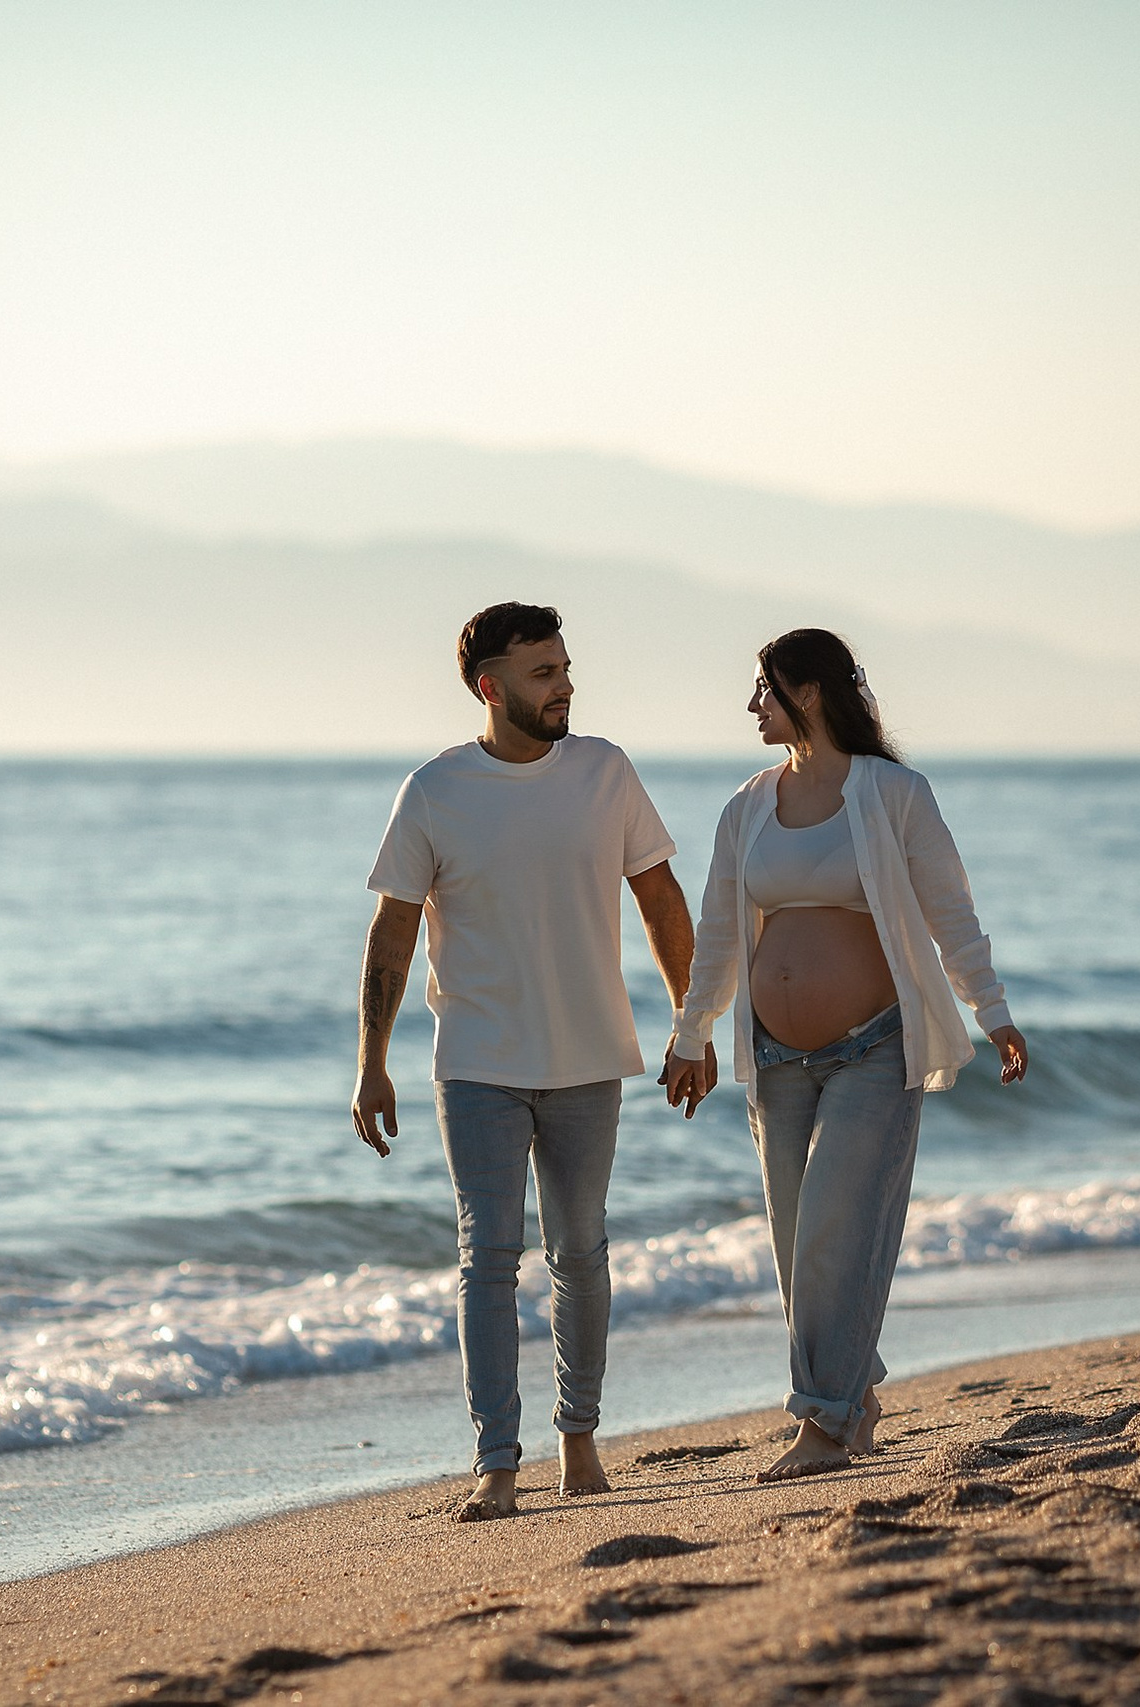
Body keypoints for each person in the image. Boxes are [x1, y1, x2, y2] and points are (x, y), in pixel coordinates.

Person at [352, 601, 707, 1521]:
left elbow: (660, 896)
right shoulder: (434, 790)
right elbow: (392, 930)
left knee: (580, 1250)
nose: (565, 686)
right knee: (488, 1258)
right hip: (476, 1061)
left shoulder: (604, 771)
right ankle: (496, 1462)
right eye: (544, 672)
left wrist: (691, 1022)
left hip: (589, 1054)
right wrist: (372, 1061)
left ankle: (579, 1437)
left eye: (565, 668)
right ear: (491, 685)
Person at [660, 628, 1027, 1482]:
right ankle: (853, 1397)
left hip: (874, 1047)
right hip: (777, 1057)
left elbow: (950, 911)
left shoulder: (894, 793)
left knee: (835, 1226)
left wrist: (994, 1012)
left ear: (810, 693)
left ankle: (820, 1422)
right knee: (799, 1247)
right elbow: (719, 931)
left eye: (764, 688)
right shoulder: (747, 805)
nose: (752, 705)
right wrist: (691, 1032)